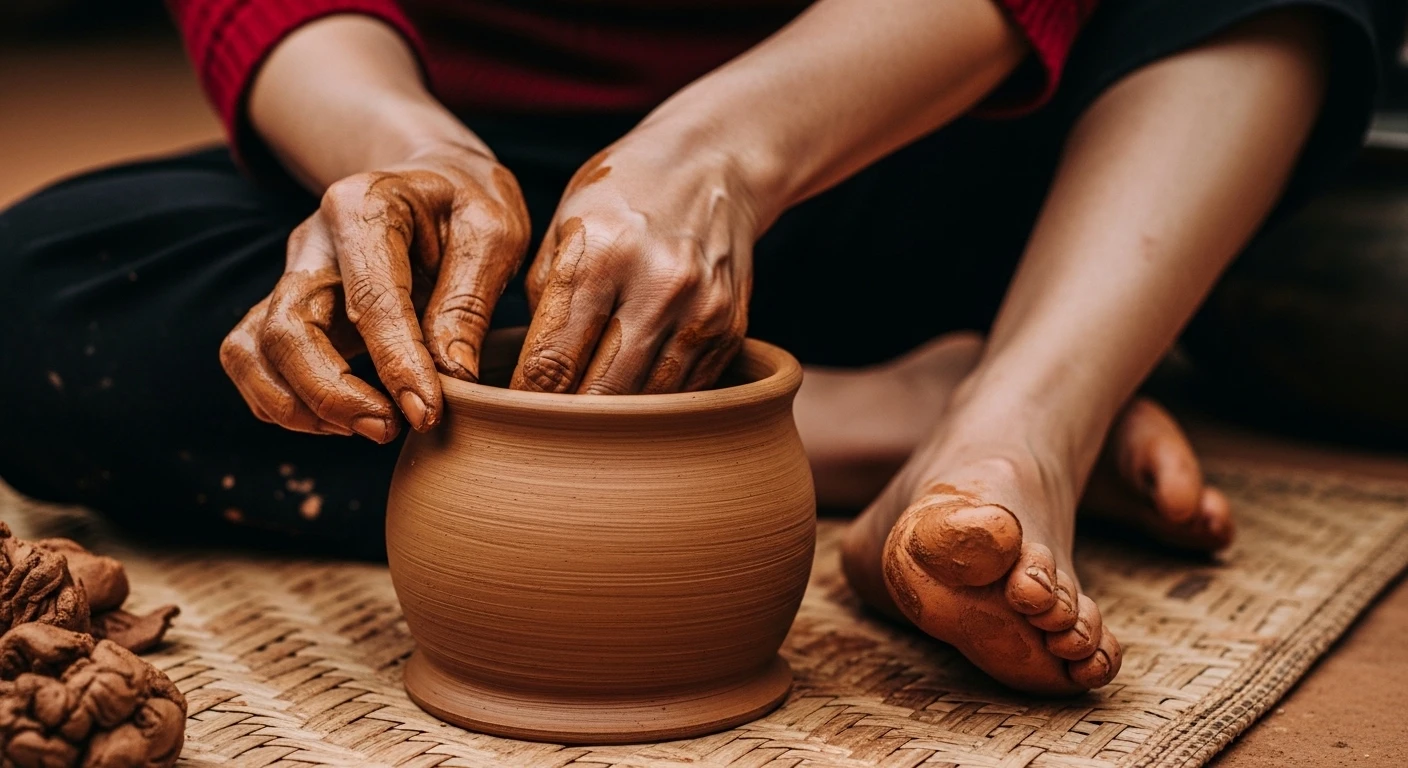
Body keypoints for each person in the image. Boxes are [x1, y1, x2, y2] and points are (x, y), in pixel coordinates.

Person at [0, 0, 1378, 695]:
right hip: (513, 167)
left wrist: (726, 146)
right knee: (44, 293)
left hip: (946, 120)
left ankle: (1026, 422)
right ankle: (870, 417)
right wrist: (407, 153)